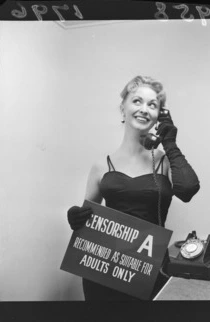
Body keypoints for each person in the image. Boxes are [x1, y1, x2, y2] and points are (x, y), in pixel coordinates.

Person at [67, 75, 200, 301]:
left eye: (152, 105)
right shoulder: (101, 166)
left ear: (160, 115)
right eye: (137, 101)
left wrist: (170, 143)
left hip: (151, 270)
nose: (144, 109)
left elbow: (187, 189)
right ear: (123, 108)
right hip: (104, 273)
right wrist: (76, 217)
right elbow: (87, 218)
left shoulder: (165, 162)